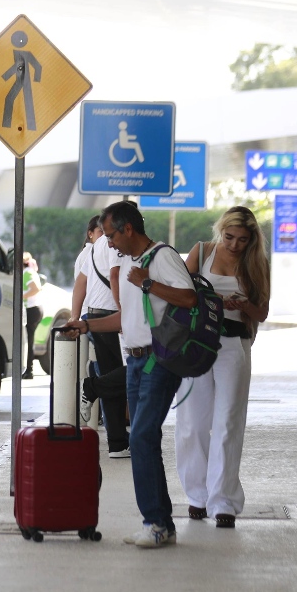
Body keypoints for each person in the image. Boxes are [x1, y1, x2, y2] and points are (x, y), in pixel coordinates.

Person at [65, 201, 197, 549]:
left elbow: (189, 299)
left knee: (139, 438)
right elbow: (124, 319)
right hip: (135, 361)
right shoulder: (126, 264)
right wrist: (85, 325)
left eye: (111, 235)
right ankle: (160, 523)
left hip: (159, 360)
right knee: (144, 442)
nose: (108, 243)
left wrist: (150, 284)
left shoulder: (162, 257)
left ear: (128, 229)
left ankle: (156, 522)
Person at [175, 206, 270, 530]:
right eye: (229, 237)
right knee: (192, 423)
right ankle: (197, 496)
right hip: (199, 343)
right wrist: (211, 298)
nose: (234, 245)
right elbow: (180, 295)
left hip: (235, 344)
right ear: (221, 231)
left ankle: (224, 501)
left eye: (242, 239)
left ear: (251, 239)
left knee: (229, 422)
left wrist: (244, 305)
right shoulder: (202, 252)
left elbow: (262, 314)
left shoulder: (257, 263)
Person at [71, 215, 130, 457]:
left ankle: (117, 443)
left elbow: (80, 284)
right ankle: (93, 386)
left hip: (95, 315)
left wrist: (77, 317)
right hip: (112, 316)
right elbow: (115, 277)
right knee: (137, 368)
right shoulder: (116, 244)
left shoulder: (96, 247)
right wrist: (124, 313)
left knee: (115, 376)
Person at [22, 253, 43, 381]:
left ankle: (29, 370)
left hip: (31, 310)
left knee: (28, 341)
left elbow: (35, 288)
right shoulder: (30, 271)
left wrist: (20, 296)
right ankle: (28, 369)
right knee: (29, 340)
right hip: (34, 309)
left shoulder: (28, 273)